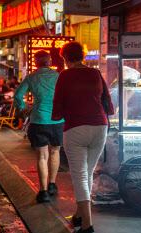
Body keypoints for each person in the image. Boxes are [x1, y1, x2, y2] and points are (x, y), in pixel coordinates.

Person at [52, 42, 114, 233]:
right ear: (83, 56)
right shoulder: (95, 73)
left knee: (80, 175)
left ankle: (87, 226)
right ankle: (79, 216)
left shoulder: (64, 75)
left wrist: (56, 116)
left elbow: (58, 105)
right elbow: (107, 101)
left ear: (66, 58)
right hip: (100, 127)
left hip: (76, 128)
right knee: (86, 172)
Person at [14, 50, 64, 203]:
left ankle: (43, 192)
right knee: (55, 152)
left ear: (35, 62)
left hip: (38, 120)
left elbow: (17, 95)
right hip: (57, 120)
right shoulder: (58, 76)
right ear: (49, 61)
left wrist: (23, 108)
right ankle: (52, 185)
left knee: (42, 156)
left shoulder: (31, 77)